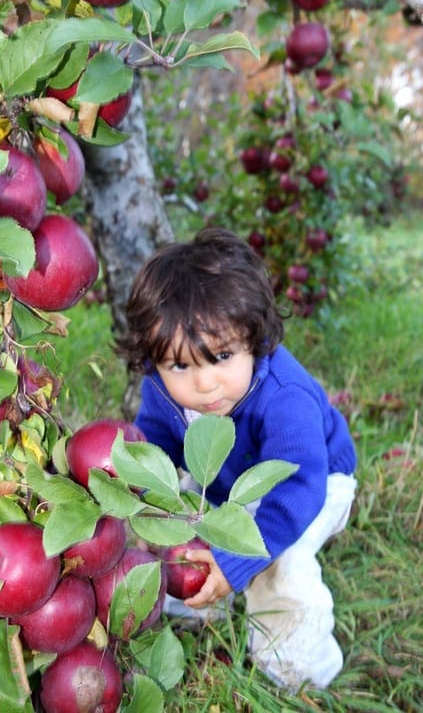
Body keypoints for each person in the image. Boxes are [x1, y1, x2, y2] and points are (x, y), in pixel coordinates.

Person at [115, 226, 357, 689]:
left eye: (222, 356)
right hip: (226, 481)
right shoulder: (164, 390)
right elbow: (158, 448)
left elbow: (295, 494)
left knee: (279, 566)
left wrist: (236, 560)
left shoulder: (286, 398)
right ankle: (199, 597)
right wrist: (143, 502)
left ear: (254, 337)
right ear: (154, 360)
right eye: (181, 366)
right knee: (180, 527)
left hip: (314, 485)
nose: (204, 385)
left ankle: (299, 670)